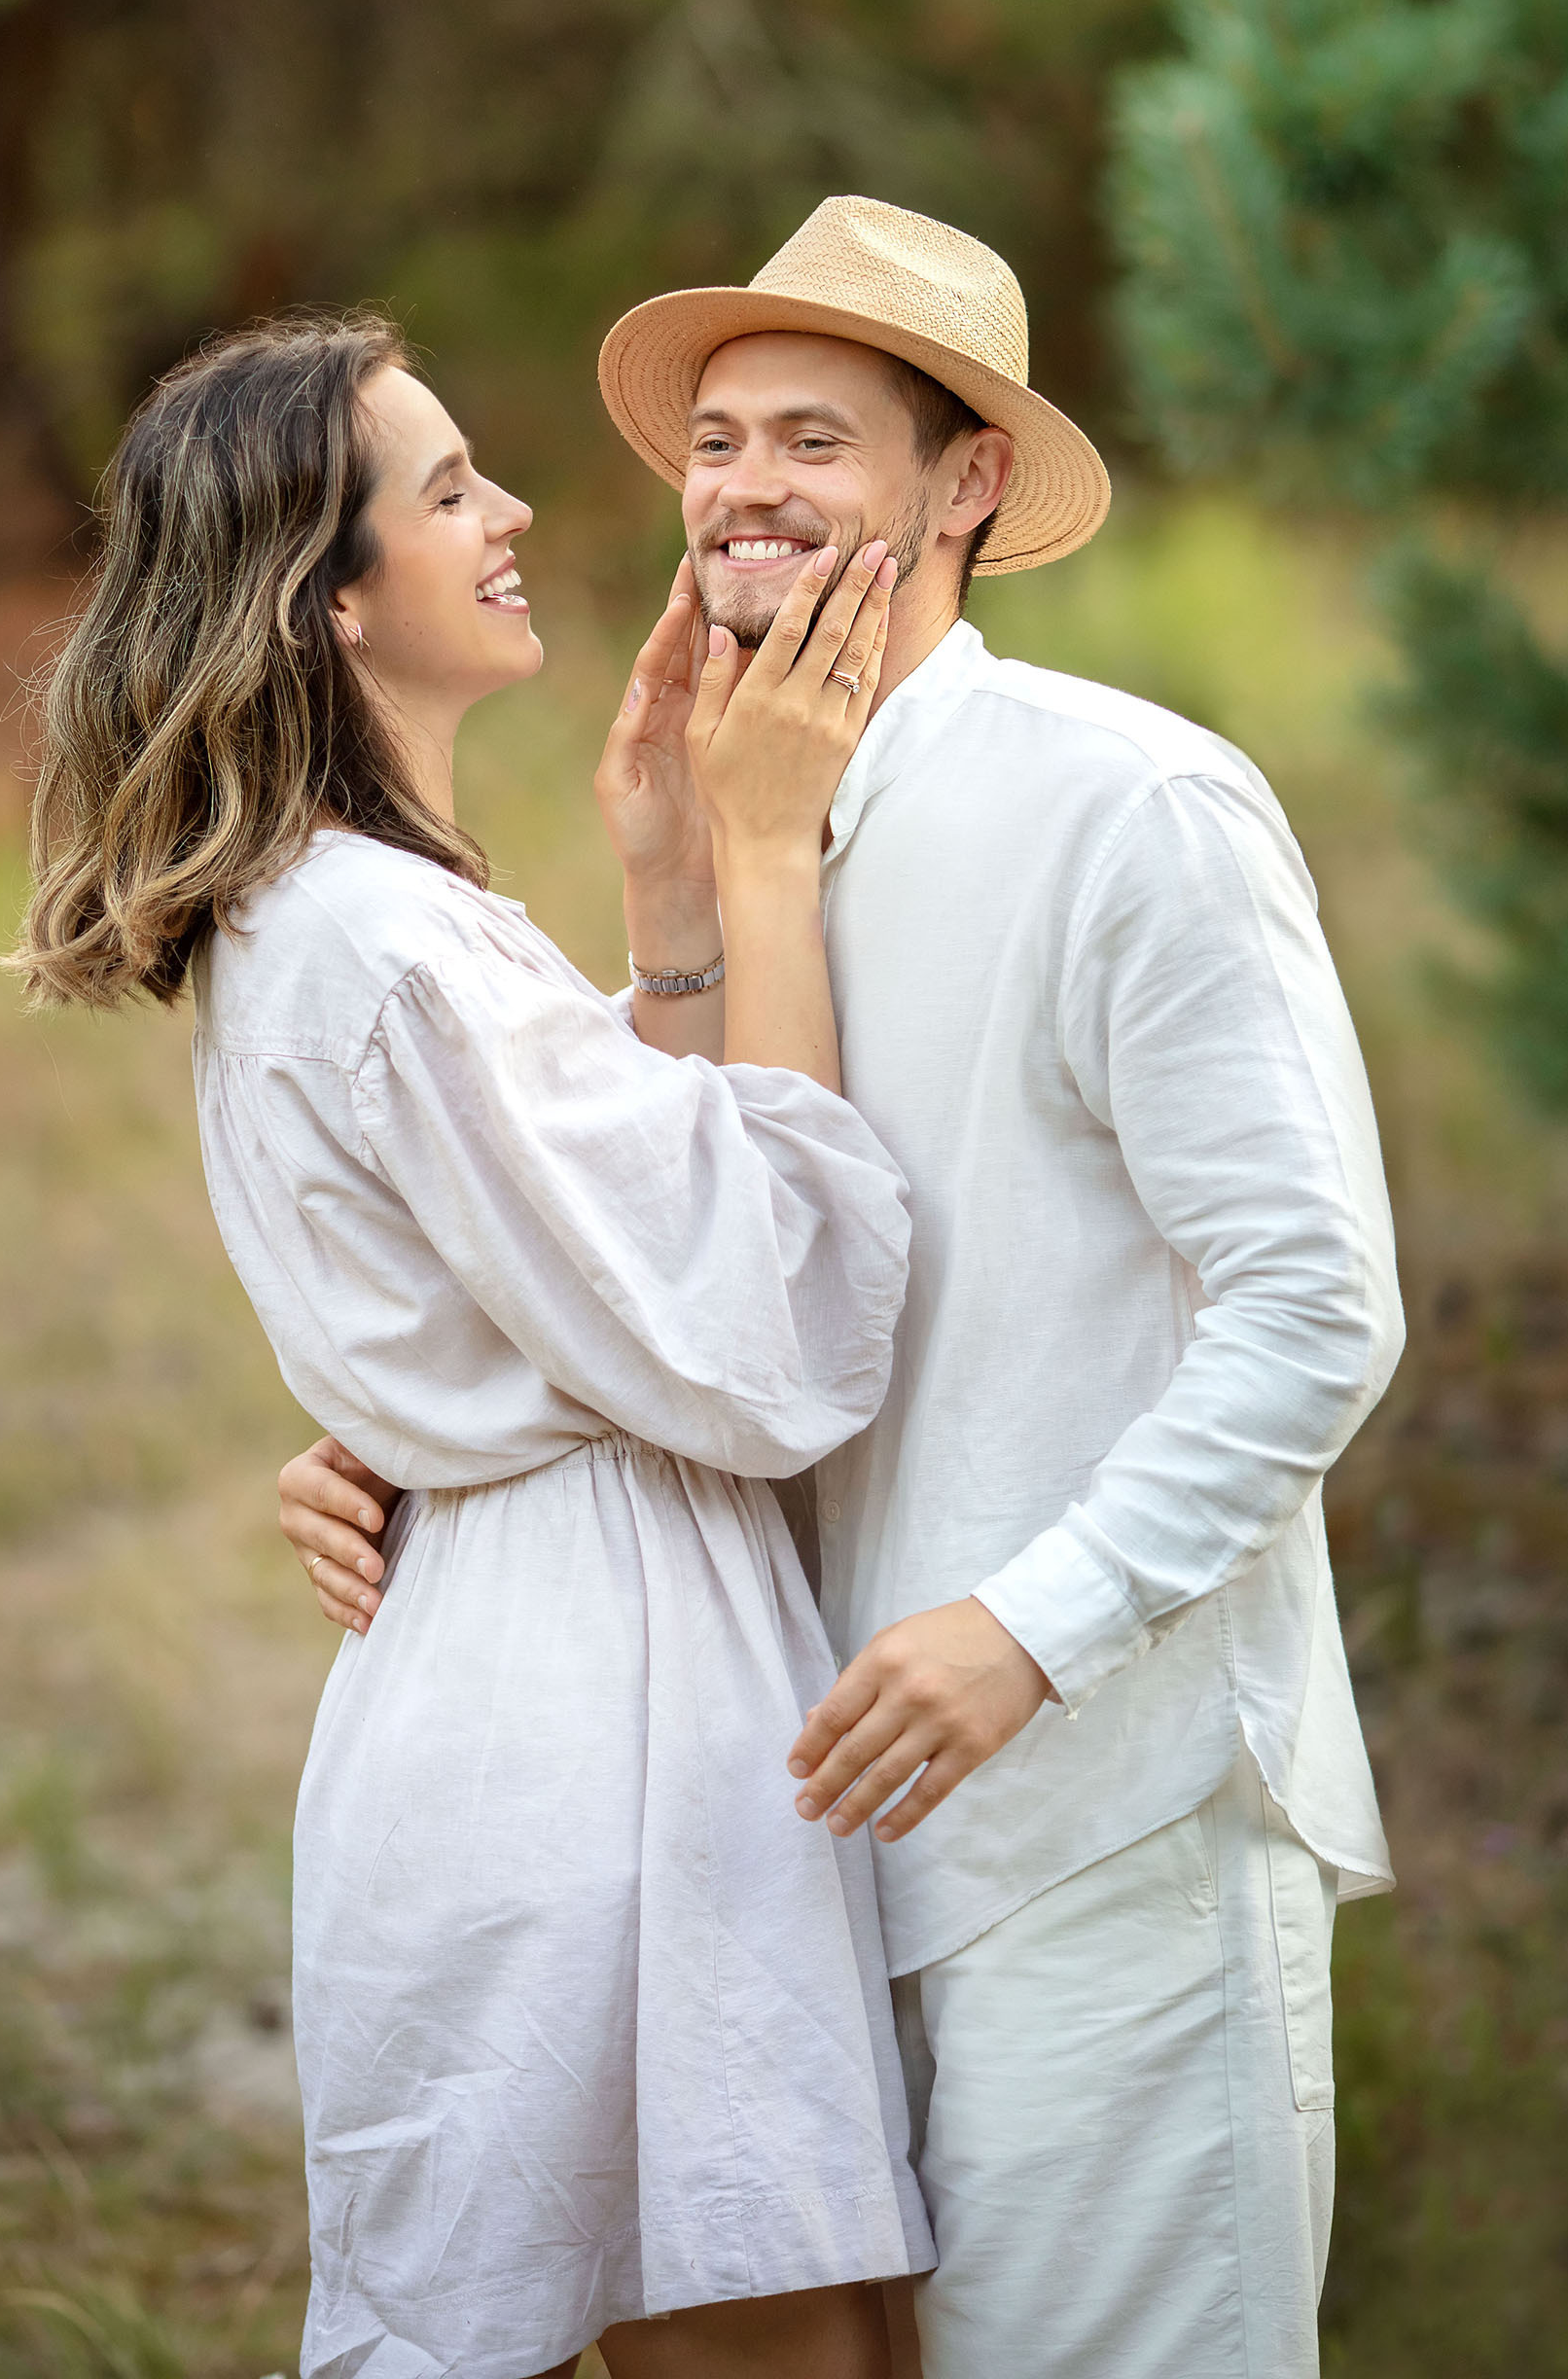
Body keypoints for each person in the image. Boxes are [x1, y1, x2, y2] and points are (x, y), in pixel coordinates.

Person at [285, 198, 1404, 2379]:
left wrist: (1031, 1628)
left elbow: (1312, 1308)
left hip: (1104, 1819)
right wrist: (389, 1444)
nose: (745, 490)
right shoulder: (749, 836)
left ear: (964, 482)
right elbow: (673, 1278)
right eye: (716, 443)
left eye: (816, 440)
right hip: (789, 1840)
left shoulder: (1130, 805)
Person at [10, 310, 936, 2379]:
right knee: (782, 2343)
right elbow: (770, 1313)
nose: (510, 510)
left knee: (815, 2324)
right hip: (594, 1732)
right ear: (330, 600)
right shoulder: (384, 941)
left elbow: (578, 1234)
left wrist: (670, 902)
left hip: (544, 1672)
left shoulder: (343, 915)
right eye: (446, 492)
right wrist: (767, 852)